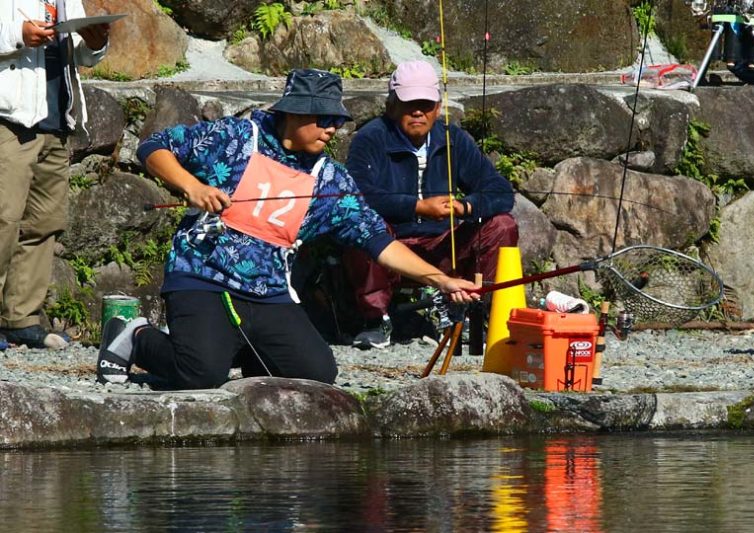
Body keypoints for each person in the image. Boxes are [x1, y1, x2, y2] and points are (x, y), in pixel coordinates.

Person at [95, 69, 479, 389]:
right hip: (203, 276)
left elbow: (377, 240)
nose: (331, 129)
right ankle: (135, 336)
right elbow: (154, 146)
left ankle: (237, 347)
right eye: (322, 119)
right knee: (201, 375)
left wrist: (440, 280)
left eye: (336, 122)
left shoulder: (330, 179)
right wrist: (192, 186)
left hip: (269, 292)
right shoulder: (237, 138)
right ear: (293, 113)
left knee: (317, 374)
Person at [344, 60, 518, 349]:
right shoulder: (370, 138)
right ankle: (376, 319)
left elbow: (500, 192)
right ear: (391, 105)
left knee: (502, 225)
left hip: (442, 242)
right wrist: (417, 207)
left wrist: (465, 206)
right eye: (409, 103)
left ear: (437, 108)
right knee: (358, 226)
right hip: (391, 243)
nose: (417, 111)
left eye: (425, 104)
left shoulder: (453, 139)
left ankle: (482, 313)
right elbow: (358, 194)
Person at [0, 1, 109, 350]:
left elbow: (79, 56)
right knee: (3, 218)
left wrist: (93, 43)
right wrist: (18, 34)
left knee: (44, 223)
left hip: (56, 120)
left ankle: (21, 318)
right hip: (9, 120)